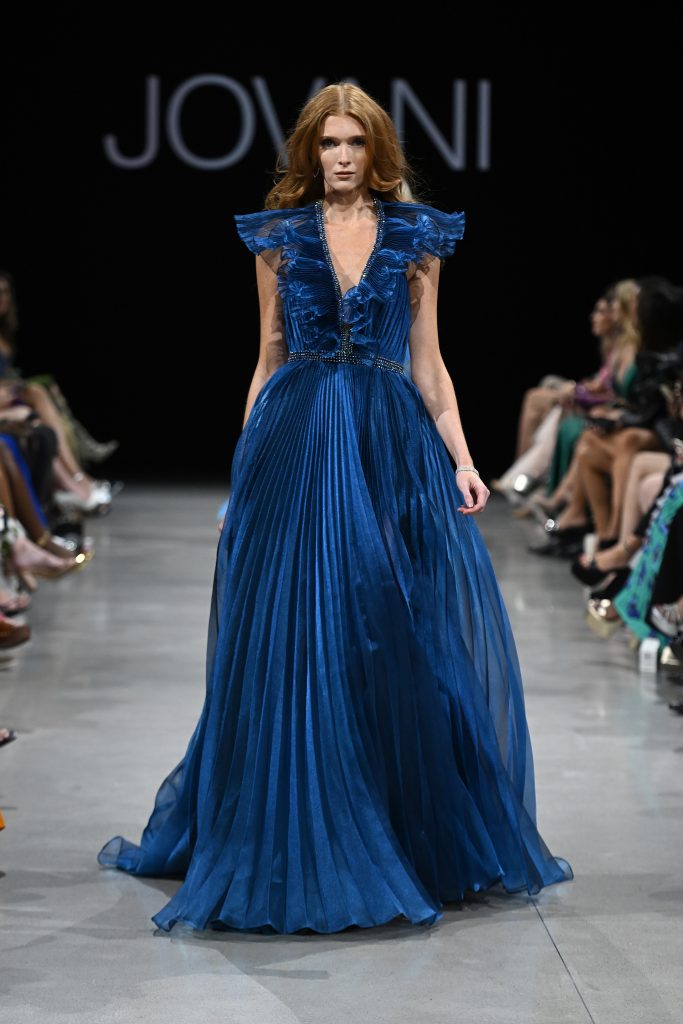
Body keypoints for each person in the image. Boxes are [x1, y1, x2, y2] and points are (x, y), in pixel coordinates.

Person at [97, 82, 573, 934]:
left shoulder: (418, 238)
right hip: (298, 442)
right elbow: (267, 358)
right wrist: (244, 477)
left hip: (390, 446)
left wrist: (464, 460)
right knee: (296, 630)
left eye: (355, 143)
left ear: (378, 151)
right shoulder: (277, 239)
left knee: (390, 623)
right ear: (309, 152)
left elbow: (430, 366)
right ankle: (294, 826)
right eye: (327, 145)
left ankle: (401, 824)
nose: (341, 158)